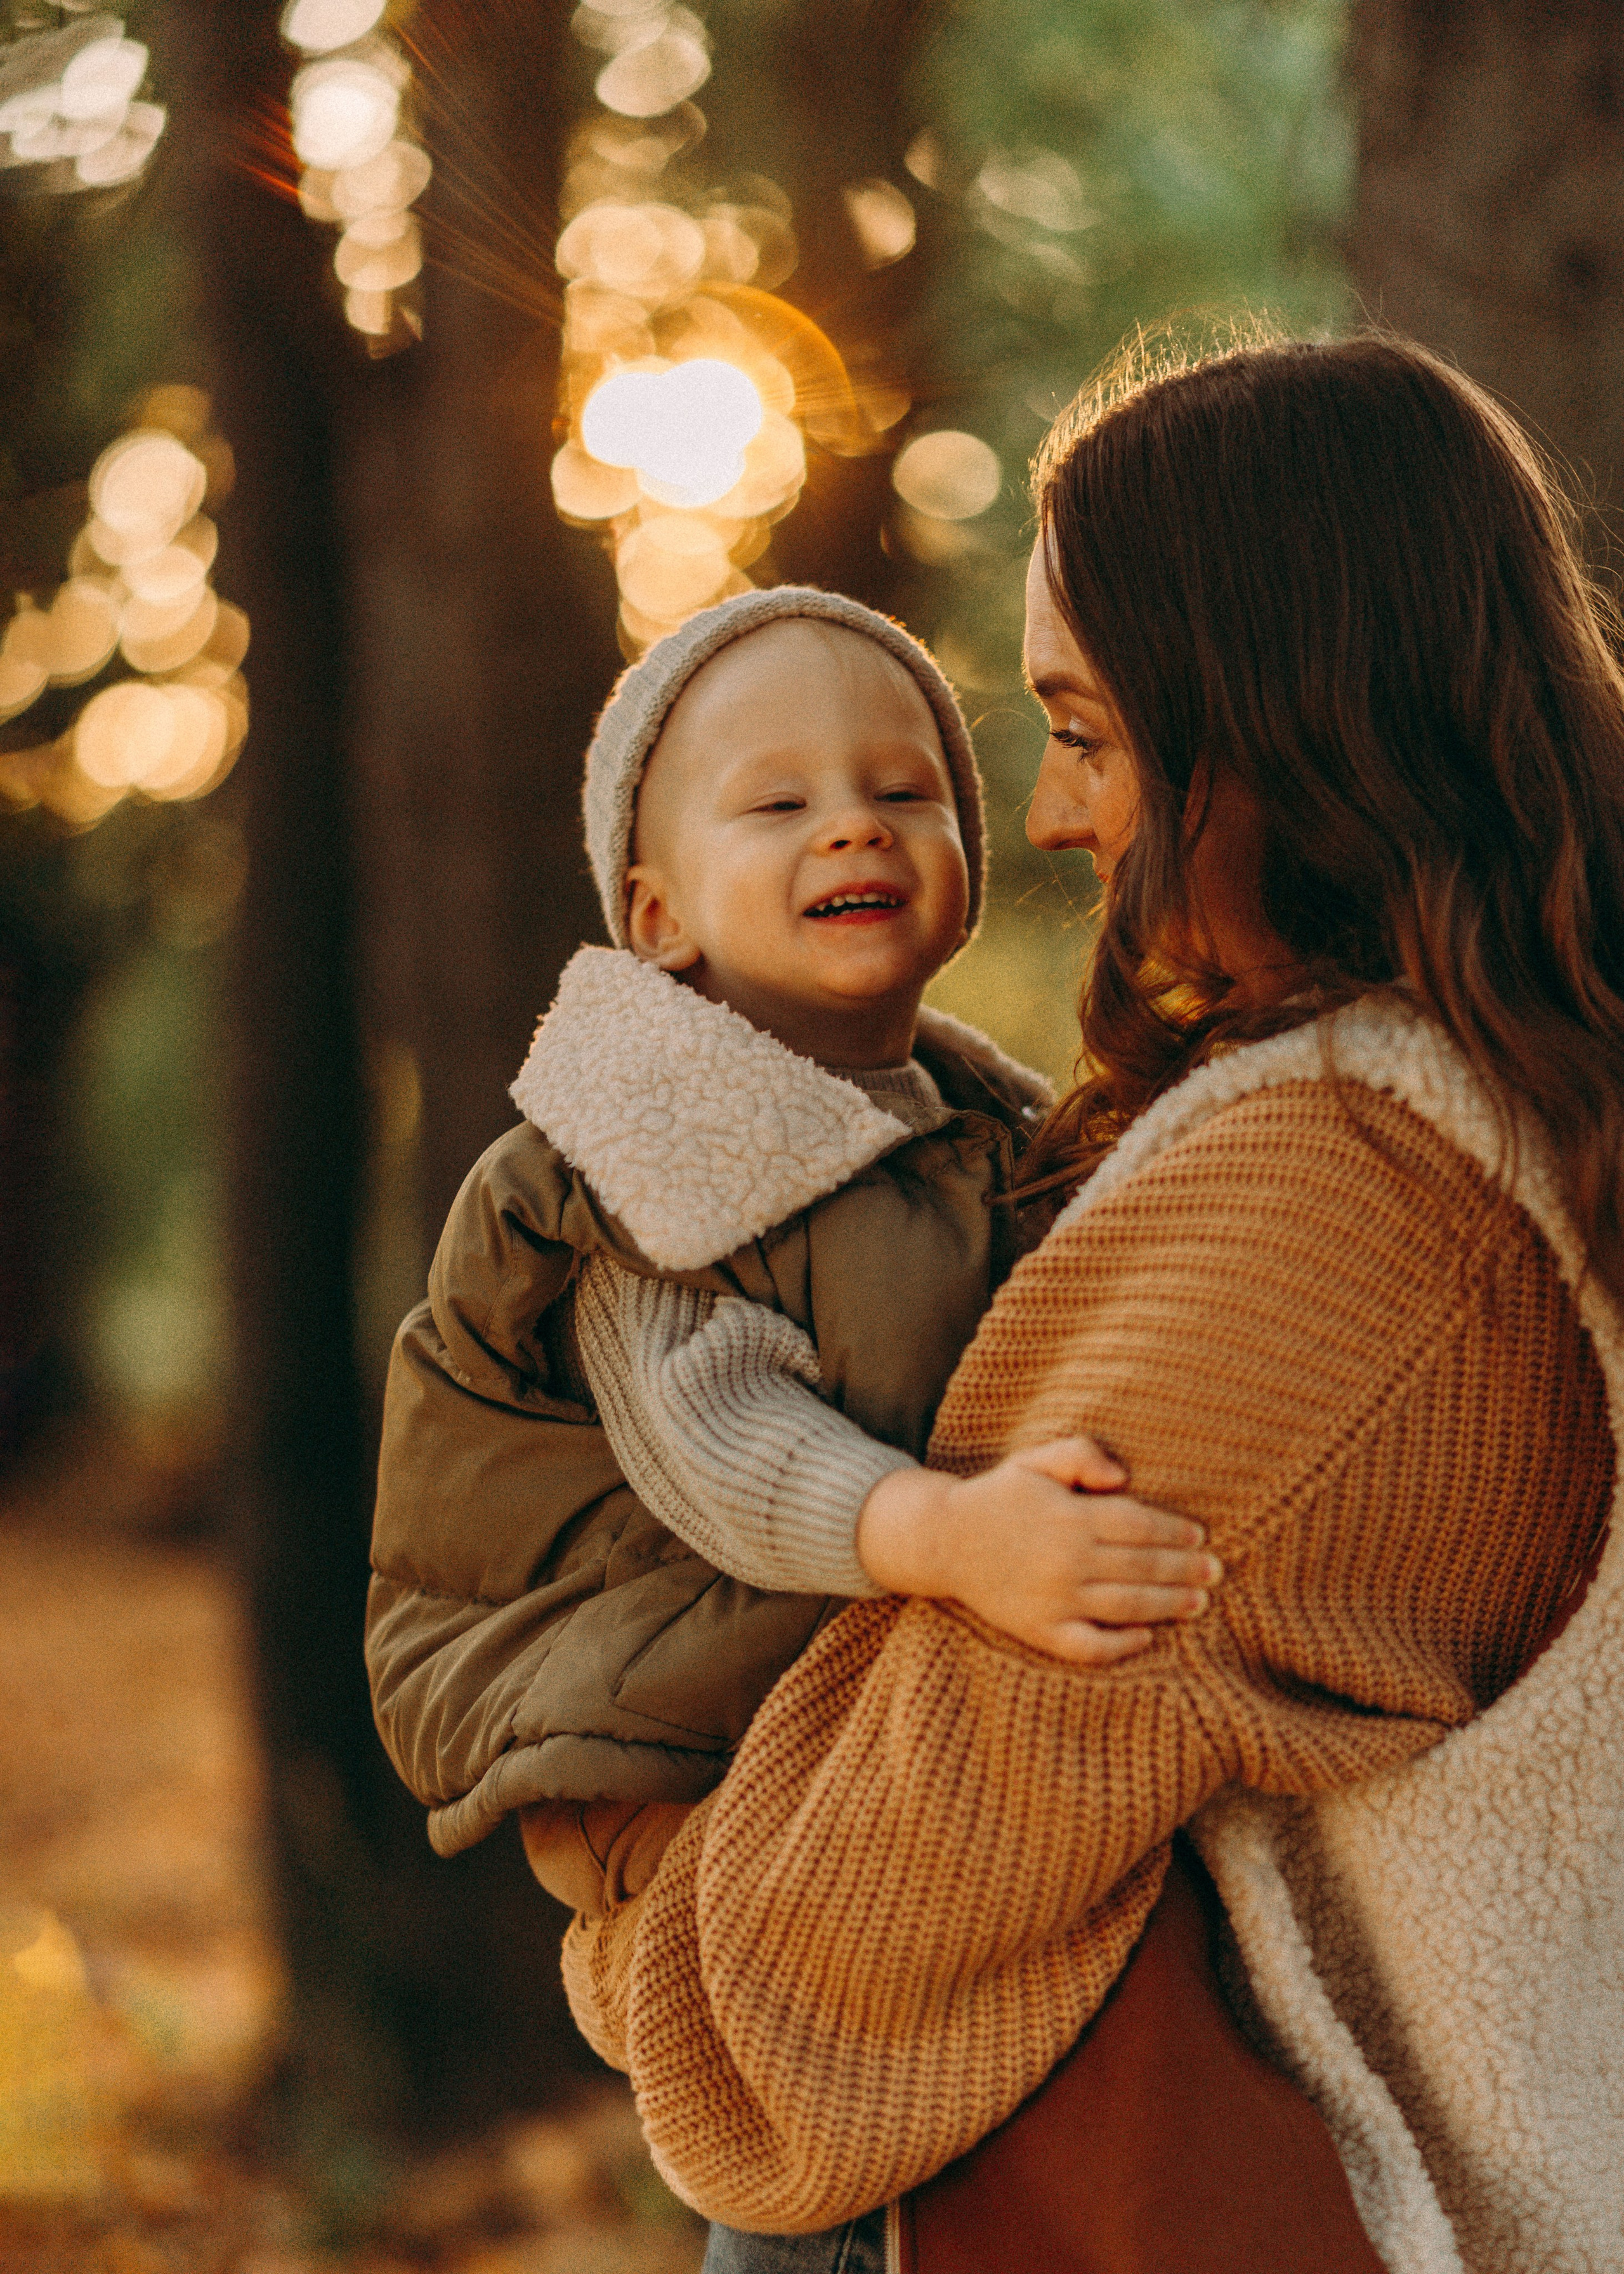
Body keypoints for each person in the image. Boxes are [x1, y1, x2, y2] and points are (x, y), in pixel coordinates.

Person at [563, 333, 1624, 2274]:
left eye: (1088, 729)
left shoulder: (1342, 1199)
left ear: (1284, 723)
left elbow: (921, 1845)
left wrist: (645, 1943)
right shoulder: (1533, 1122)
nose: (1055, 818)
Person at [365, 586, 1212, 1916]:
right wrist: (946, 1535)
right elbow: (711, 1434)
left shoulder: (985, 1136)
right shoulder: (635, 1148)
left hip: (841, 1680)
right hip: (644, 1740)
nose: (853, 822)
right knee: (882, 1960)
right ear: (655, 918)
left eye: (903, 790)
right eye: (777, 805)